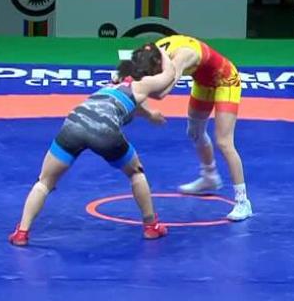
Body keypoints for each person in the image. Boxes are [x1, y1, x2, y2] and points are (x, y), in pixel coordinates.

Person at [9, 44, 177, 246]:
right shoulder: (144, 84)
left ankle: (21, 232)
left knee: (44, 181)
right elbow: (169, 76)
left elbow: (131, 104)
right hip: (104, 131)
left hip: (74, 123)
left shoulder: (115, 83)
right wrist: (164, 51)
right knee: (136, 172)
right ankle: (151, 226)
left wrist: (150, 115)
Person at [153, 33, 252, 221]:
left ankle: (243, 202)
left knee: (224, 142)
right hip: (203, 81)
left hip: (226, 80)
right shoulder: (156, 49)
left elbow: (163, 92)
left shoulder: (182, 56)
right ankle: (210, 177)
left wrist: (137, 89)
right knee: (195, 132)